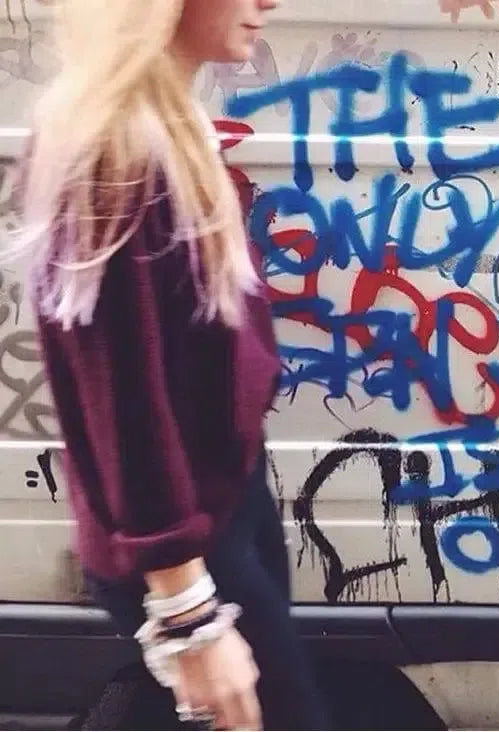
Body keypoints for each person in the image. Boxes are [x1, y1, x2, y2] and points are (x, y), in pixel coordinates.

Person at [14, 0, 328, 729]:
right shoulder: (114, 152)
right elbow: (124, 406)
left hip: (223, 504)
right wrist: (190, 615)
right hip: (189, 544)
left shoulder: (164, 125)